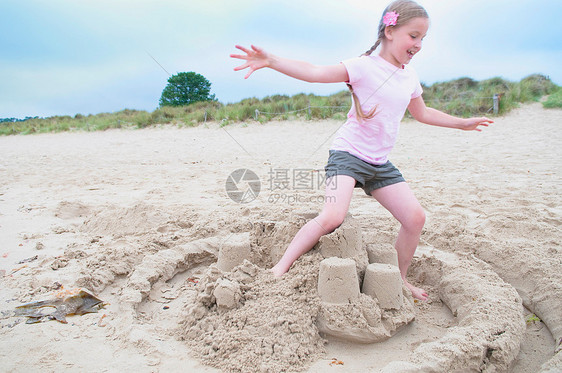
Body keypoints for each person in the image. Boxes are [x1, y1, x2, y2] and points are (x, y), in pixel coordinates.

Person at [230, 0, 492, 301]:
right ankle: (280, 268)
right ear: (390, 30)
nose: (419, 44)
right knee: (332, 216)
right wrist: (272, 60)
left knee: (415, 219)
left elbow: (422, 113)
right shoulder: (363, 67)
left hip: (379, 164)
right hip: (348, 155)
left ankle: (399, 279)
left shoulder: (409, 76)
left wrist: (462, 124)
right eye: (414, 35)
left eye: (423, 38)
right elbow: (315, 72)